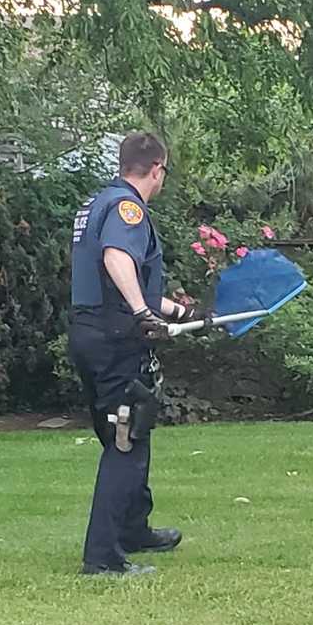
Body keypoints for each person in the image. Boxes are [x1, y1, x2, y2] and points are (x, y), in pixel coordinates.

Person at [68, 132, 203, 576]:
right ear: (157, 168)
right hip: (114, 338)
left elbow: (120, 279)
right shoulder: (129, 208)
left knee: (124, 434)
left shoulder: (98, 204)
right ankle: (104, 557)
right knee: (126, 440)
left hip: (91, 330)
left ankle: (133, 528)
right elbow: (116, 259)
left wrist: (174, 309)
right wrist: (144, 312)